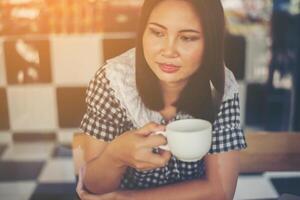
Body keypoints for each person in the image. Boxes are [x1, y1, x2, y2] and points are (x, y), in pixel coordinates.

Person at [77, 0, 247, 199]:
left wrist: (126, 198)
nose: (168, 51)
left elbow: (221, 191)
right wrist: (116, 156)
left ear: (211, 42)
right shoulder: (114, 82)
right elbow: (95, 187)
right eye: (158, 33)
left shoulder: (220, 87)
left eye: (187, 38)